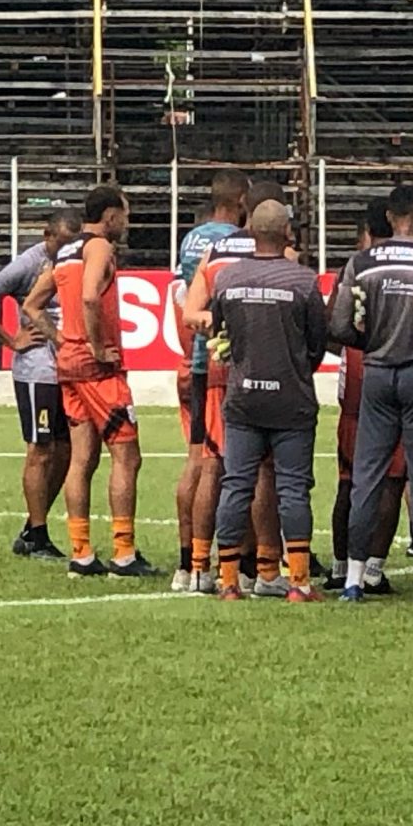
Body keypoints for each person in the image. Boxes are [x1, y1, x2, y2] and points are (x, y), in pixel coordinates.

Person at [194, 200, 330, 603]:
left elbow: (221, 332)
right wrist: (297, 368)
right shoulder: (304, 281)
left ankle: (229, 582)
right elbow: (317, 342)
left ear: (250, 231)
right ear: (287, 233)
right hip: (292, 399)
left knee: (236, 485)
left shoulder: (228, 278)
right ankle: (299, 582)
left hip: (243, 398)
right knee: (293, 489)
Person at [329, 185, 413, 602]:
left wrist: (368, 343)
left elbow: (340, 325)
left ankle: (353, 577)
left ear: (388, 217)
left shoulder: (362, 263)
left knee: (366, 475)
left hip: (377, 373)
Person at [23, 185, 156, 580]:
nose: (126, 223)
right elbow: (90, 297)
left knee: (82, 459)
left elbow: (32, 304)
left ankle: (81, 553)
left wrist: (62, 339)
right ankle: (124, 553)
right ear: (110, 215)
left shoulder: (65, 251)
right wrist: (96, 347)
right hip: (97, 369)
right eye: (124, 215)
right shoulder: (99, 247)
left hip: (68, 365)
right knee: (127, 456)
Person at [0, 204, 81, 561]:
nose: (66, 250)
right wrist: (11, 340)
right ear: (47, 236)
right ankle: (39, 534)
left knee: (66, 450)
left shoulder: (74, 261)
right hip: (37, 372)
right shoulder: (29, 263)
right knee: (40, 450)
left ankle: (32, 529)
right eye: (61, 243)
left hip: (65, 371)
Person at [173, 171, 250, 589]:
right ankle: (244, 563)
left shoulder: (191, 241)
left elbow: (182, 298)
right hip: (230, 359)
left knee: (197, 460)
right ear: (240, 201)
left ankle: (188, 562)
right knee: (236, 465)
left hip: (197, 356)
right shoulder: (237, 243)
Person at [328, 198, 407, 595]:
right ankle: (373, 569)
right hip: (396, 369)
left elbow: (332, 326)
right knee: (391, 478)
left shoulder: (355, 266)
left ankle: (341, 566)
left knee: (350, 479)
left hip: (358, 378)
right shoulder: (409, 263)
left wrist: (351, 343)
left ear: (365, 232)